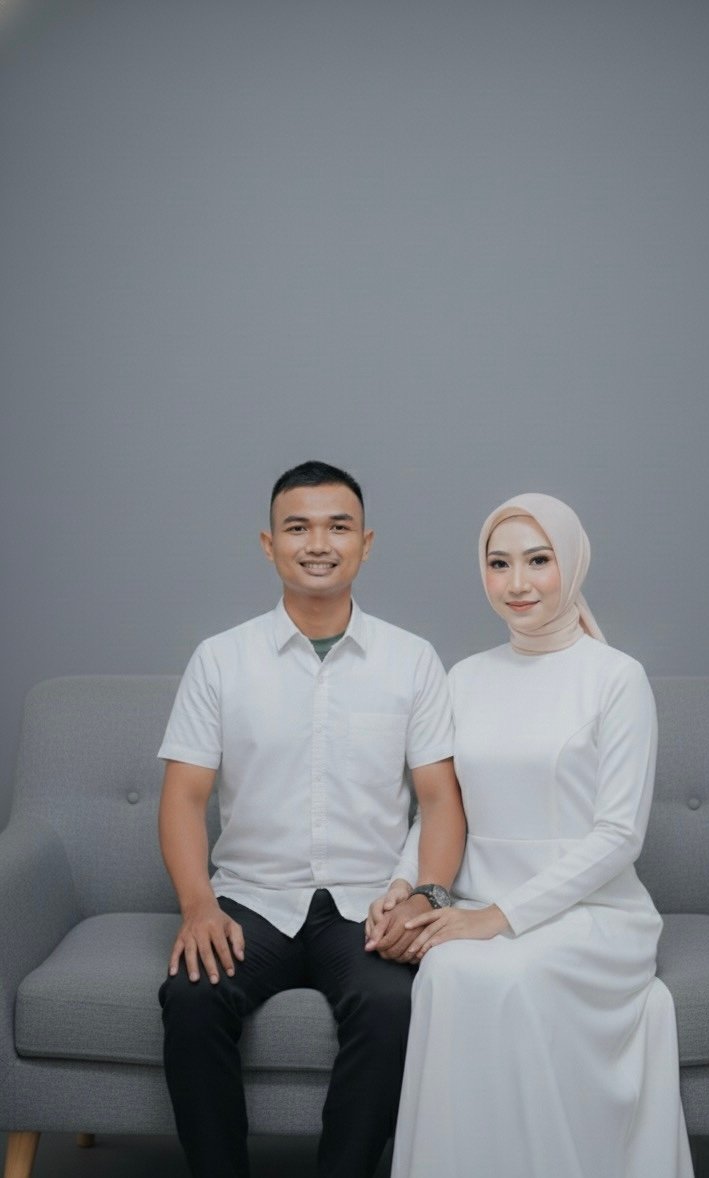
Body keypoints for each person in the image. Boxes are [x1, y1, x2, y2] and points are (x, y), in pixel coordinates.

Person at [156, 460, 466, 1178]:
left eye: (338, 527)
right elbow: (184, 797)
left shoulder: (412, 660)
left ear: (366, 543)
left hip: (368, 906)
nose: (318, 543)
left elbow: (441, 800)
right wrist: (198, 905)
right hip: (251, 898)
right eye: (298, 527)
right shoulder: (220, 660)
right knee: (191, 999)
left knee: (394, 1006)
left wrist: (425, 896)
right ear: (269, 545)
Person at [385, 493, 695, 1178]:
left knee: (512, 975)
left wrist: (498, 917)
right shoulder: (465, 678)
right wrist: (404, 886)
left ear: (572, 564)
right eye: (499, 564)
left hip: (593, 914)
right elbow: (440, 810)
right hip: (474, 901)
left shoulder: (617, 679)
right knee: (447, 971)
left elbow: (619, 835)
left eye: (538, 560)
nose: (517, 583)